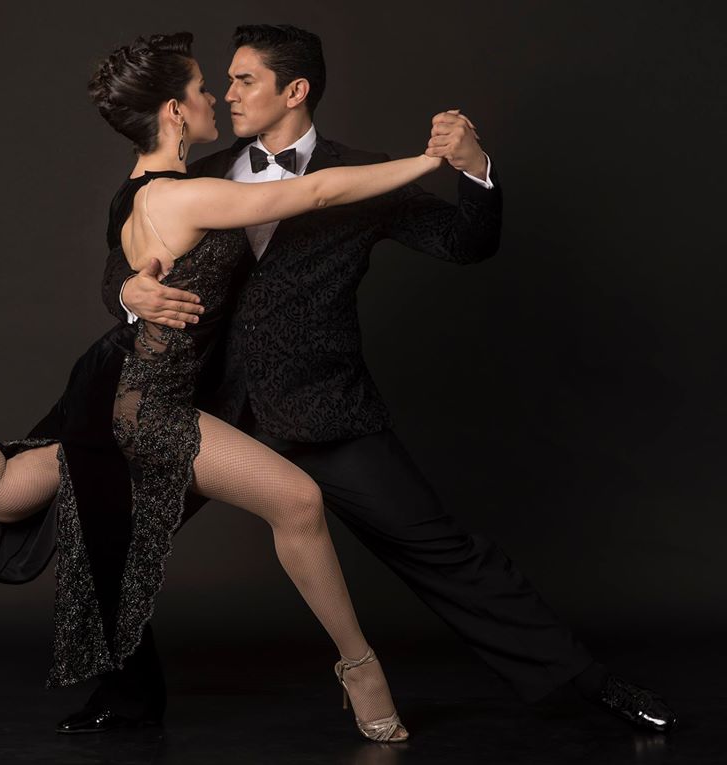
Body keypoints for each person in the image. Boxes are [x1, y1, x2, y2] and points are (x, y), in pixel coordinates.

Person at [0, 29, 472, 744]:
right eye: (203, 89)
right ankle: (360, 666)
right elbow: (317, 189)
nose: (217, 97)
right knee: (300, 502)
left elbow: (142, 269)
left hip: (112, 379)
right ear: (175, 112)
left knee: (5, 489)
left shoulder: (134, 194)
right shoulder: (187, 197)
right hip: (150, 398)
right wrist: (431, 159)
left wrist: (130, 291)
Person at [77, 24, 676, 735]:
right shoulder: (195, 173)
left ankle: (593, 683)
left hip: (324, 409)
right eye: (225, 81)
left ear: (295, 90)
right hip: (211, 410)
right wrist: (128, 294)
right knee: (106, 530)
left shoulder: (367, 174)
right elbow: (126, 257)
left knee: (444, 552)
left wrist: (475, 169)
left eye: (244, 79)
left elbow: (465, 243)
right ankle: (128, 696)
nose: (228, 92)